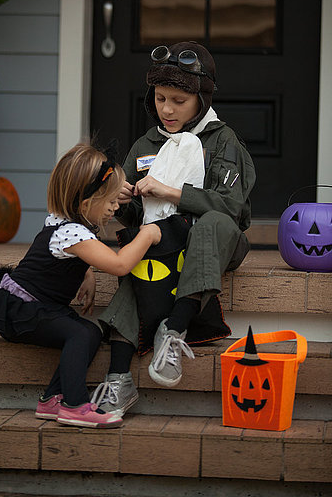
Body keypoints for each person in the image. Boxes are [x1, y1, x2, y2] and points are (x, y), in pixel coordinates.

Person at [92, 41, 256, 417]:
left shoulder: (222, 141)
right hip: (166, 243)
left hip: (215, 241)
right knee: (141, 255)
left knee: (212, 222)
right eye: (161, 97)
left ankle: (175, 329)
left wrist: (171, 191)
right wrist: (121, 201)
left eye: (179, 101)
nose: (166, 109)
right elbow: (134, 216)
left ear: (201, 97)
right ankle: (119, 379)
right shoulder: (147, 144)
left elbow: (235, 210)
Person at [0, 143, 161, 429]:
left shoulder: (66, 224)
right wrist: (147, 235)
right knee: (79, 333)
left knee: (90, 330)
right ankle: (75, 405)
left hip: (35, 306)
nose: (116, 207)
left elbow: (72, 253)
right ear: (86, 204)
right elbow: (119, 265)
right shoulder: (71, 231)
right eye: (112, 201)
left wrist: (86, 272)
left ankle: (52, 399)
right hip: (24, 309)